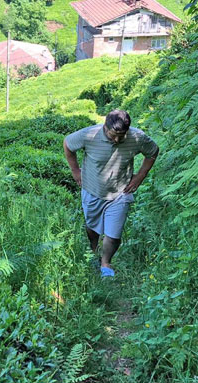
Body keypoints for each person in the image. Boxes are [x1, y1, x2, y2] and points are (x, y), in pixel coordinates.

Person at [63, 110, 159, 278]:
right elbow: (68, 145)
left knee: (113, 235)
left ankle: (105, 262)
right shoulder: (89, 135)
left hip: (120, 193)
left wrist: (140, 176)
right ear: (105, 127)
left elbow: (153, 152)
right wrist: (76, 172)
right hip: (92, 190)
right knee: (92, 228)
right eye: (112, 135)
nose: (116, 140)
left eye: (121, 136)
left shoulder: (137, 137)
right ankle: (93, 252)